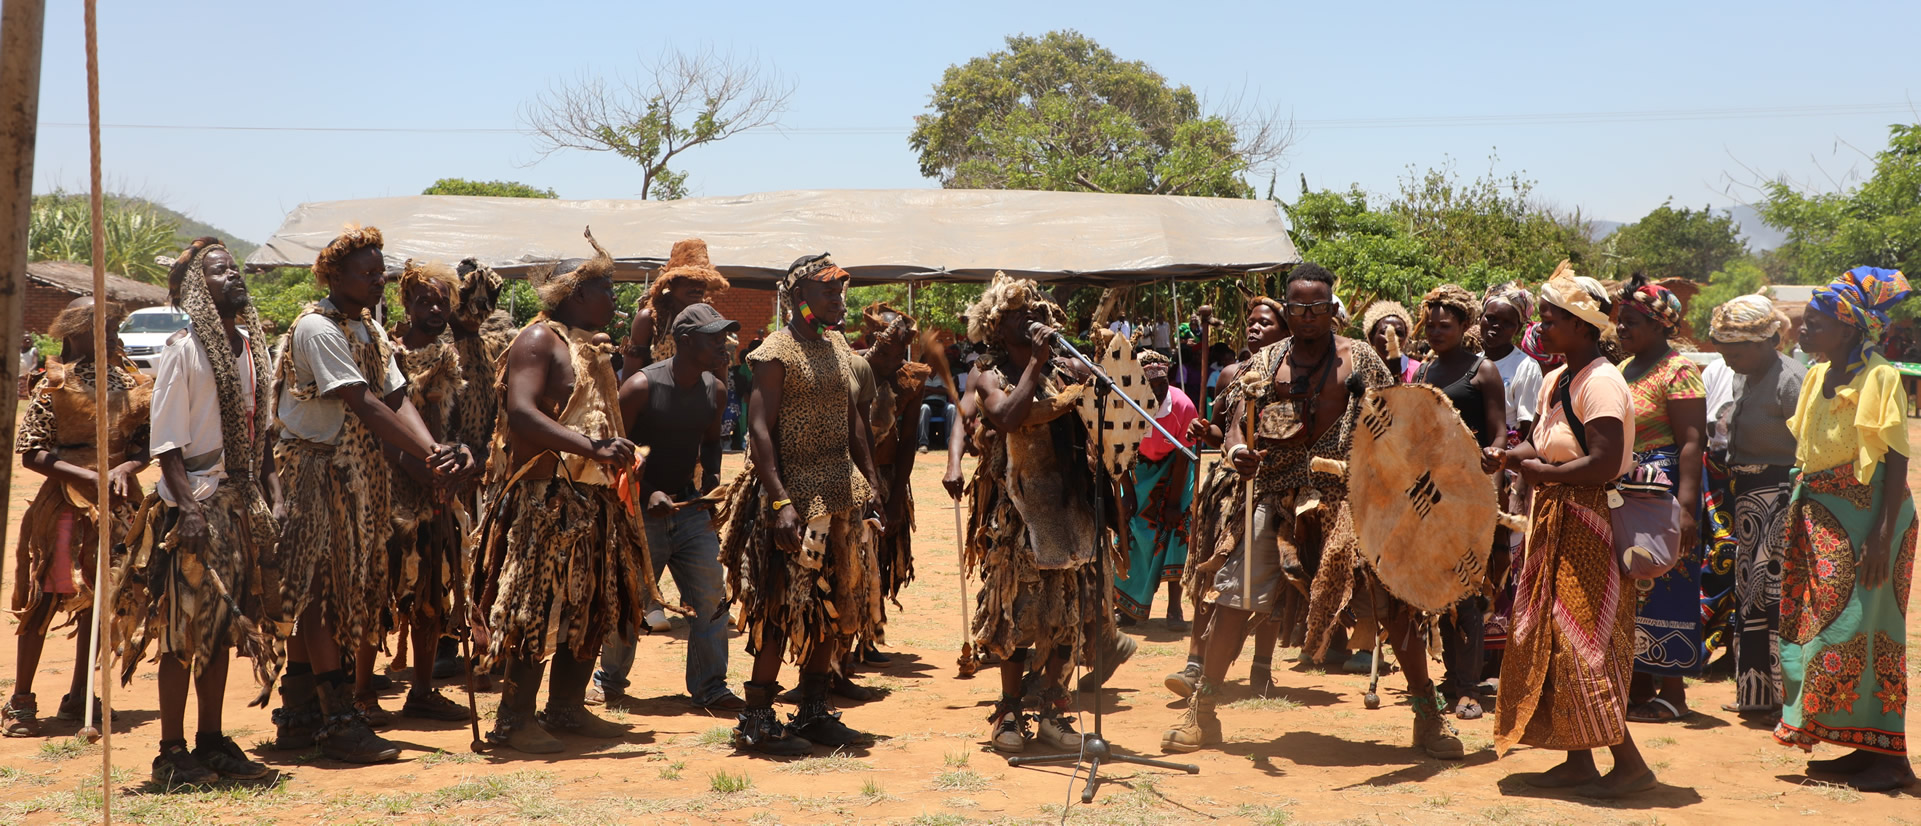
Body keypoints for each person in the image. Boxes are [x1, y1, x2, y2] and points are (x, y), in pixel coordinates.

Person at [1161, 263, 1457, 759]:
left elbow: (1398, 423)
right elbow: (1236, 423)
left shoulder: (1359, 359)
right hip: (1275, 496)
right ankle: (1203, 713)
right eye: (1297, 308)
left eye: (1318, 307)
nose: (1308, 317)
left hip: (1348, 499)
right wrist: (1238, 453)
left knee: (1394, 604)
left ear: (1331, 308)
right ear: (1287, 307)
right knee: (1233, 597)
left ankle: (1428, 718)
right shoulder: (1267, 362)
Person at [272, 225, 474, 763]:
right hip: (316, 470)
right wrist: (432, 456)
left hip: (358, 474)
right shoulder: (317, 329)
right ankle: (334, 718)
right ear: (333, 275)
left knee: (343, 587)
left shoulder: (369, 331)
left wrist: (435, 451)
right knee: (319, 590)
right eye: (368, 272)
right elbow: (362, 402)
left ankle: (303, 714)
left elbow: (398, 395)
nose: (378, 279)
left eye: (381, 270)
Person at [469, 229, 653, 755]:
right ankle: (514, 719)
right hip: (546, 499)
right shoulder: (538, 341)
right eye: (606, 289)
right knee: (538, 606)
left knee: (592, 602)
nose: (613, 299)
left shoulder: (592, 347)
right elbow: (522, 415)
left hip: (595, 501)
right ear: (576, 293)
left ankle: (568, 708)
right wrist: (592, 447)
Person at [1483, 260, 1653, 799]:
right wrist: (1510, 455)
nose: (1542, 326)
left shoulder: (1602, 382)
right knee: (1552, 637)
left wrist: (1542, 474)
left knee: (1583, 643)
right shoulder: (1558, 378)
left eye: (1553, 318)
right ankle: (1579, 762)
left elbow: (1604, 462)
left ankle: (1630, 766)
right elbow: (1544, 441)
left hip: (1590, 523)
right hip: (1555, 516)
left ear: (1583, 326)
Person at [116, 238, 275, 783]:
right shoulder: (184, 351)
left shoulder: (252, 347)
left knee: (224, 627)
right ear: (196, 292)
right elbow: (166, 445)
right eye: (219, 272)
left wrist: (268, 498)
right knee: (183, 633)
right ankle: (170, 752)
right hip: (196, 506)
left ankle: (211, 740)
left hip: (236, 502)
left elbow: (261, 432)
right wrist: (187, 508)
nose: (233, 277)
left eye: (234, 269)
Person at [716, 252, 883, 755]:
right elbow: (760, 429)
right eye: (828, 290)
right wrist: (778, 501)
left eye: (840, 290)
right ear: (799, 296)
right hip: (796, 497)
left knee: (835, 603)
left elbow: (854, 417)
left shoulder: (836, 345)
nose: (839, 298)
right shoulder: (775, 352)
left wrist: (871, 484)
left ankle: (812, 710)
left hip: (841, 493)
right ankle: (758, 718)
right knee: (781, 606)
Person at [1773, 267, 1916, 792]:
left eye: (1813, 323)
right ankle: (1856, 743)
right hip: (1819, 513)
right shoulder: (1816, 373)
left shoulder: (1880, 376)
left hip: (1870, 519)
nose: (1802, 330)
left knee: (1863, 627)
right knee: (1818, 625)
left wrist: (1880, 537)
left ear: (1849, 328)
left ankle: (1890, 757)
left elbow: (1896, 457)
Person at [963, 273, 1109, 754]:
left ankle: (1053, 711)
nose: (1029, 320)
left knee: (1065, 615)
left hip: (1066, 505)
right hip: (1020, 511)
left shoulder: (1062, 369)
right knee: (1020, 616)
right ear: (995, 327)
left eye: (1033, 312)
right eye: (1015, 316)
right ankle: (1008, 714)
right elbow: (1005, 416)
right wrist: (1037, 364)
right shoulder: (988, 371)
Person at [3, 298, 150, 738]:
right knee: (49, 594)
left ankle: (80, 695)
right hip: (67, 507)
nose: (112, 333)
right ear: (76, 331)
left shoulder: (129, 380)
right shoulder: (54, 381)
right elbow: (31, 451)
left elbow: (145, 444)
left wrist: (126, 468)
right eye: (103, 325)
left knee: (102, 600)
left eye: (114, 325)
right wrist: (87, 475)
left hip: (118, 507)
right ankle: (21, 700)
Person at [594, 303, 744, 712]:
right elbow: (614, 453)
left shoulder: (714, 389)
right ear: (683, 341)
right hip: (640, 514)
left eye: (724, 336)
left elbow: (711, 442)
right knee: (632, 599)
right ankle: (608, 680)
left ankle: (710, 686)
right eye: (713, 338)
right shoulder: (641, 387)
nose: (724, 345)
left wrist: (711, 485)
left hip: (690, 510)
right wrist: (647, 493)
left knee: (711, 596)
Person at [1168, 296, 1290, 699]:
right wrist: (1207, 434)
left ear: (1285, 331)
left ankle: (1262, 668)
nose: (1254, 328)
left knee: (1270, 579)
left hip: (1273, 487)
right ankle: (1195, 662)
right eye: (1251, 322)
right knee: (1210, 572)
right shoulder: (1230, 375)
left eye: (1266, 324)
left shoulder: (1291, 376)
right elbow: (1222, 429)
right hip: (1227, 488)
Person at [380, 259, 482, 724]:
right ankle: (362, 692)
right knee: (379, 590)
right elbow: (382, 421)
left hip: (431, 478)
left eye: (443, 300)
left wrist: (449, 462)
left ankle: (421, 690)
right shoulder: (386, 351)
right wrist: (416, 463)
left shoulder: (445, 354)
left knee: (429, 589)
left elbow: (441, 423)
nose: (436, 308)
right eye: (426, 301)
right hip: (386, 480)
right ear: (406, 303)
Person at [1614, 275, 1709, 725]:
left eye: (1631, 322)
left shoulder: (1679, 370)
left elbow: (1693, 441)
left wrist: (1687, 510)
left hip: (1667, 491)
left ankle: (1673, 693)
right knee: (1636, 585)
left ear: (1657, 325)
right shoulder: (1624, 369)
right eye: (1620, 321)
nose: (1621, 329)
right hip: (1630, 489)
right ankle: (1638, 686)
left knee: (1670, 580)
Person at [1707, 294, 1804, 716]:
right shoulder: (1744, 375)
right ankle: (1756, 695)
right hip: (1748, 498)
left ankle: (1784, 700)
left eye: (1737, 348)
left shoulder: (1790, 379)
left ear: (1768, 341)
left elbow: (1806, 448)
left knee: (1774, 596)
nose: (1729, 358)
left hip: (1778, 498)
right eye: (1724, 349)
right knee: (1750, 595)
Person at [1411, 285, 1506, 720]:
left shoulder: (1483, 372)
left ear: (1464, 326)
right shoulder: (1424, 373)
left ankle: (1469, 688)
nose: (1435, 332)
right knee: (1440, 594)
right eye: (1429, 325)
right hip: (1430, 498)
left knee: (1467, 592)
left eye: (1444, 326)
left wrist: (1493, 465)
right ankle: (1451, 679)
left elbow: (1499, 435)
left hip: (1470, 497)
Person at [852, 306, 928, 670]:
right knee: (852, 558)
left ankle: (868, 637)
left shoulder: (910, 379)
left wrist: (895, 497)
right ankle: (843, 637)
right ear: (869, 342)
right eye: (885, 352)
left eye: (899, 354)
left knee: (878, 559)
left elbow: (910, 438)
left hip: (886, 475)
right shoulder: (850, 367)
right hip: (850, 478)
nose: (892, 360)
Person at [1478, 283, 1543, 670]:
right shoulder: (1470, 361)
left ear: (1518, 327)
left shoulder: (1525, 367)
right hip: (1468, 468)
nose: (1496, 327)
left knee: (1506, 557)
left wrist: (1515, 482)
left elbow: (1529, 430)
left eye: (1506, 322)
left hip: (1505, 471)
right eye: (1491, 319)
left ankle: (1499, 657)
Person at [1116, 351, 1198, 629]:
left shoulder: (1183, 407)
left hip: (1177, 465)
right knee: (1134, 529)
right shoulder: (1126, 404)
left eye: (1162, 385)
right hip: (1139, 466)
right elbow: (1121, 452)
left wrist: (1174, 502)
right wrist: (1127, 494)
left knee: (1177, 528)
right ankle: (1130, 606)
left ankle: (1174, 607)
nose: (1157, 392)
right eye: (1150, 387)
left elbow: (1184, 456)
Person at [624, 238, 729, 371]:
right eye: (690, 280)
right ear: (672, 282)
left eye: (702, 281)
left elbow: (720, 383)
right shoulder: (649, 319)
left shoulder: (713, 321)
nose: (697, 288)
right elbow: (629, 379)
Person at [1362, 301, 1418, 385]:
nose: (1392, 338)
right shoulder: (1361, 370)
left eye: (1399, 333)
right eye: (1385, 332)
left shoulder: (1417, 371)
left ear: (1405, 339)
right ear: (1371, 337)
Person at [17, 334, 42, 399]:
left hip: (29, 376)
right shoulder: (18, 350)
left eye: (29, 339)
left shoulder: (33, 350)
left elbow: (35, 363)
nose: (27, 341)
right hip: (19, 375)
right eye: (25, 339)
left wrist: (29, 372)